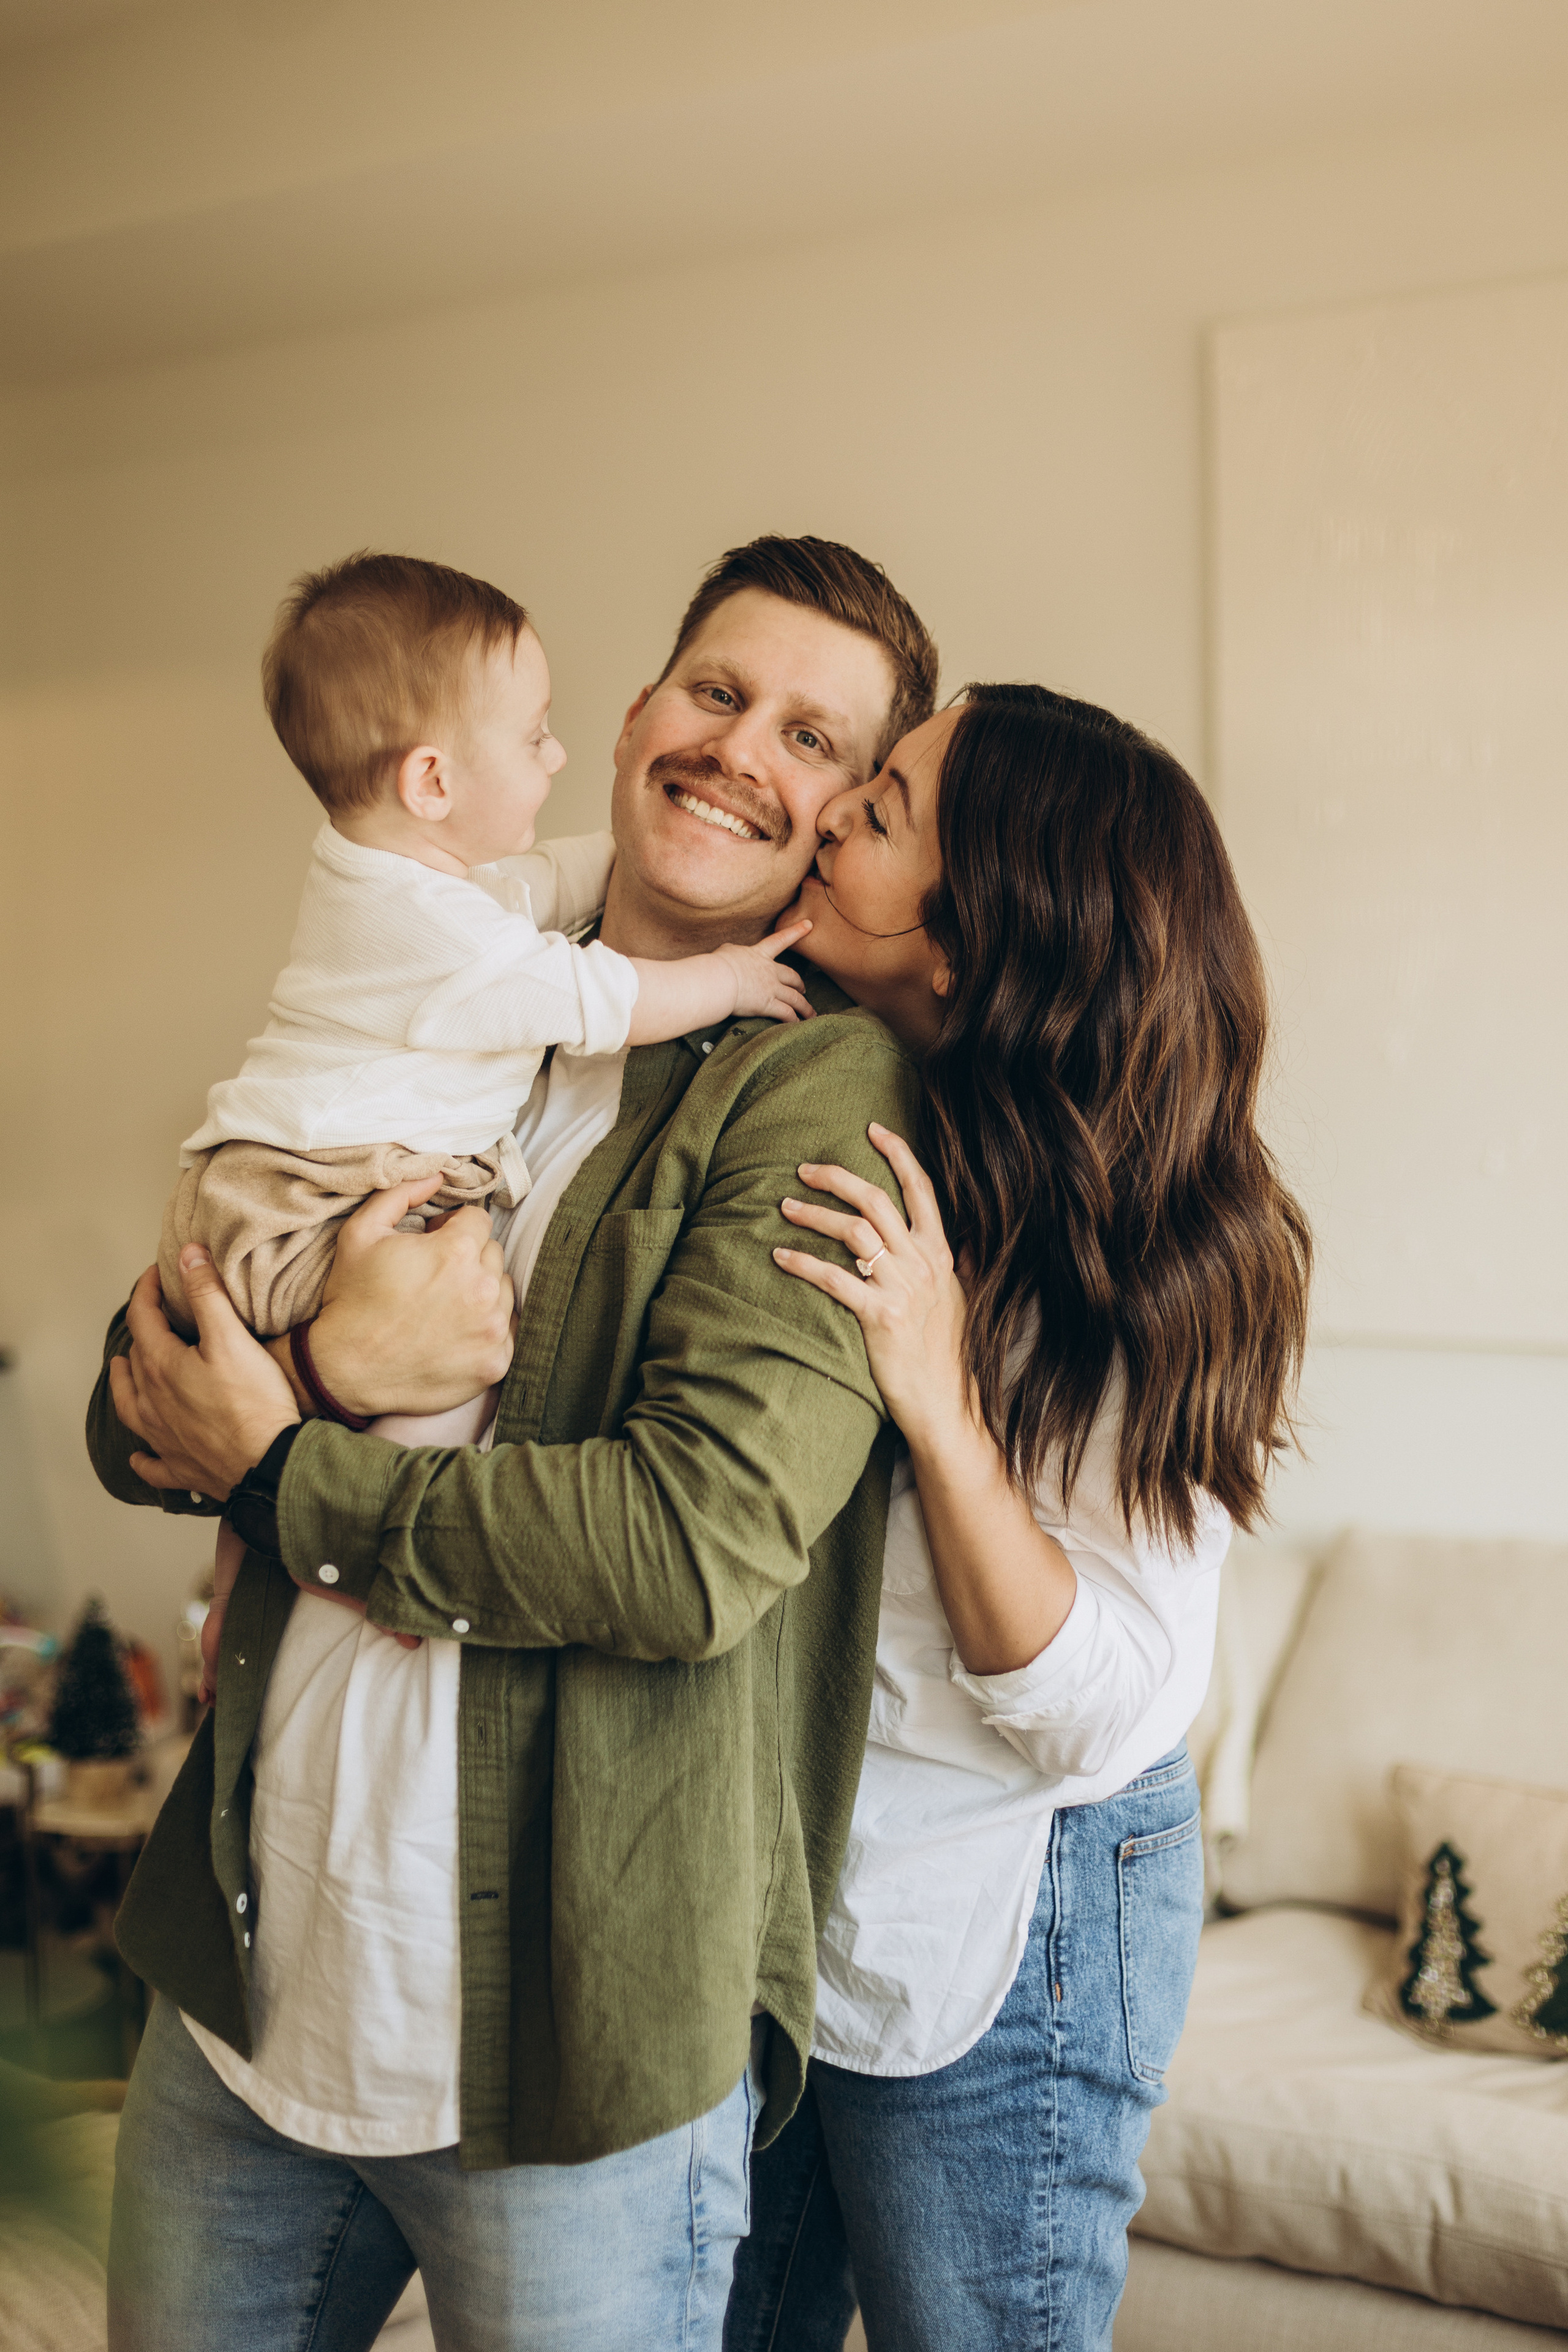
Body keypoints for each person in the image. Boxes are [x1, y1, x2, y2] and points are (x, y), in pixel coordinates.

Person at [85, 535, 938, 2352]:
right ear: (631, 716)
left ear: (849, 810)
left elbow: (688, 1543)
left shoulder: (810, 1087)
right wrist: (311, 1363)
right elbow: (139, 1382)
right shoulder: (443, 942)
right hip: (253, 1981)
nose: (738, 750)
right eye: (716, 692)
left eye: (810, 738)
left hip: (571, 2050)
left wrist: (280, 1459)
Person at [725, 684, 1312, 2351]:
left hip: (1021, 1896)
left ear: (977, 950)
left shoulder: (1166, 1251)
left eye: (884, 806)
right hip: (812, 1867)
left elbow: (1106, 1703)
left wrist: (937, 1393)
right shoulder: (845, 1094)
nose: (829, 811)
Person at [161, 550, 815, 1694]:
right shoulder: (458, 943)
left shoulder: (410, 882)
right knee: (461, 1351)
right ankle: (351, 1566)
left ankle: (249, 1575)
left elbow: (561, 873)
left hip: (268, 1185)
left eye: (810, 742)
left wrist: (720, 833)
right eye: (534, 738)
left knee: (402, 1354)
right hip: (314, 1198)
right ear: (431, 779)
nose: (551, 757)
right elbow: (603, 994)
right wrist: (731, 978)